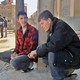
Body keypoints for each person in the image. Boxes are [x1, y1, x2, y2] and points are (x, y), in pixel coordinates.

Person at [28, 10, 80, 80]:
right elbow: (48, 46)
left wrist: (37, 51)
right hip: (67, 55)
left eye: (42, 23)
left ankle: (58, 78)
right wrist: (37, 53)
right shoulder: (52, 29)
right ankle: (66, 73)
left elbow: (53, 45)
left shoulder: (60, 26)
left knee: (52, 54)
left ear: (49, 20)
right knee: (45, 56)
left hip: (75, 57)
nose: (41, 26)